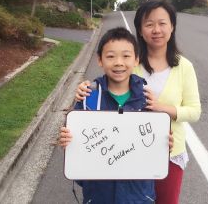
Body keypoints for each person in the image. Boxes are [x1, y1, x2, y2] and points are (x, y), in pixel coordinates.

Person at [75, 0, 201, 204]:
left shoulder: (184, 66)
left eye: (162, 23)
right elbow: (109, 87)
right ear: (140, 30)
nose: (156, 29)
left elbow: (194, 111)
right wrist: (86, 89)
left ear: (172, 26)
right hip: (127, 152)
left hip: (169, 150)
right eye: (149, 24)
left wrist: (161, 108)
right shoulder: (131, 60)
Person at [59, 27, 157, 204]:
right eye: (111, 56)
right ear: (100, 60)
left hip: (138, 196)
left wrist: (165, 145)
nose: (119, 62)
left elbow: (154, 146)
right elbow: (76, 145)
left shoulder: (147, 99)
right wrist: (67, 141)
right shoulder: (88, 98)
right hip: (99, 195)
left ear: (136, 60)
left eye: (126, 56)